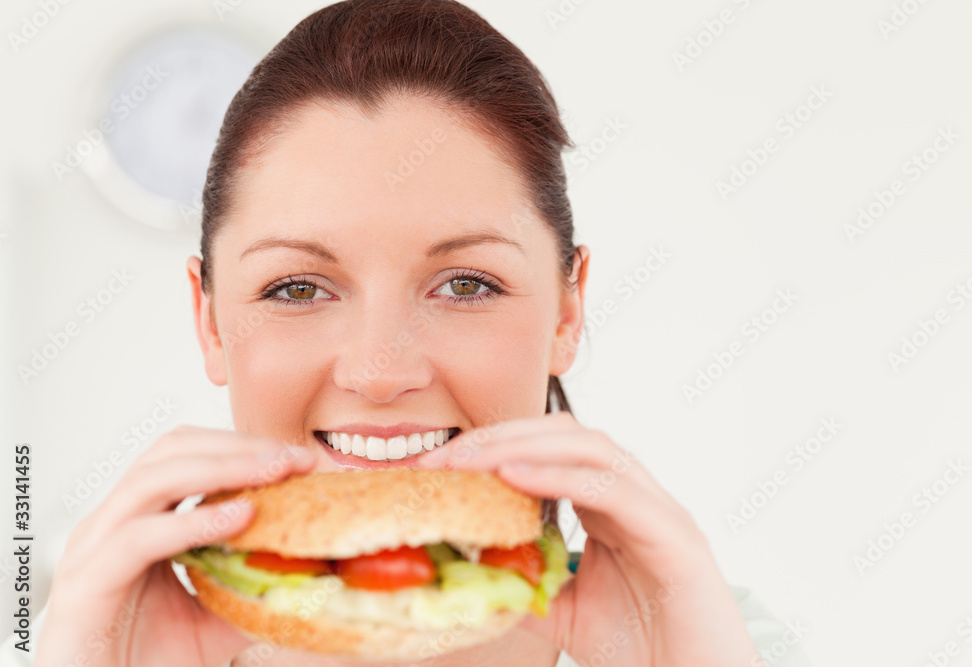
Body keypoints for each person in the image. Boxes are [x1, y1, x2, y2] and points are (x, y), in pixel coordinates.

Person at [8, 1, 811, 665]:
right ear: (209, 321)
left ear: (568, 311)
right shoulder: (91, 644)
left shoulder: (721, 641)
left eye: (467, 284)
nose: (379, 369)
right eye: (296, 286)